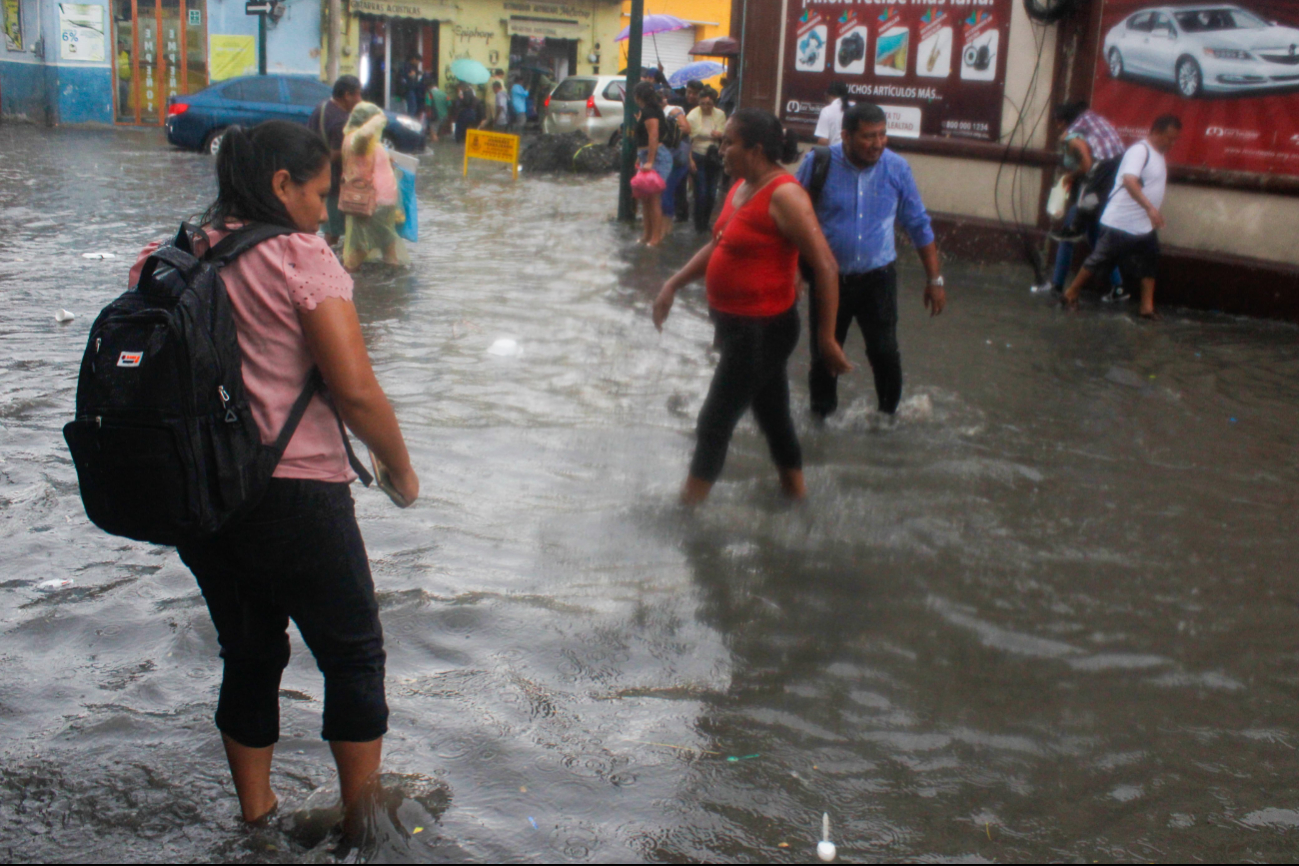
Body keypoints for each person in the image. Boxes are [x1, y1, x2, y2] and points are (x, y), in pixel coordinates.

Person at [126, 120, 419, 827]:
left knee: (250, 652)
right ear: (281, 186)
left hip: (202, 499)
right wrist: (401, 471)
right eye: (317, 193)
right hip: (296, 496)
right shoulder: (298, 255)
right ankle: (362, 825)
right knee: (352, 654)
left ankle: (256, 819)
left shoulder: (166, 258)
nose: (324, 209)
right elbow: (353, 389)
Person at [651, 109, 852, 505]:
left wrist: (826, 339)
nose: (721, 148)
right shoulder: (742, 185)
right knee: (774, 419)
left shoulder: (786, 195)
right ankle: (797, 498)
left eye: (729, 142)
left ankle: (685, 513)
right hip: (738, 328)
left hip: (763, 331)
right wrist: (673, 284)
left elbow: (826, 265)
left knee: (713, 421)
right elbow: (721, 244)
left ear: (756, 150)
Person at [797, 102, 946, 419]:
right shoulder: (819, 163)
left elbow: (918, 225)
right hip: (828, 280)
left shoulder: (897, 168)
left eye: (882, 135)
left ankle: (887, 419)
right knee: (824, 354)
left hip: (878, 278)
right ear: (846, 136)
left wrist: (934, 280)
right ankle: (820, 423)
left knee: (885, 353)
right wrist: (792, 272)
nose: (877, 143)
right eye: (868, 137)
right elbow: (794, 218)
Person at [1063, 115, 1182, 319]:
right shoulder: (1140, 151)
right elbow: (1129, 180)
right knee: (1099, 259)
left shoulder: (1159, 155)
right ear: (1155, 132)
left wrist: (1149, 214)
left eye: (1175, 140)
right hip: (1121, 221)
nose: (1171, 144)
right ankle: (1071, 292)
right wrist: (1150, 209)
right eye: (1168, 138)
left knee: (1149, 263)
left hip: (1143, 225)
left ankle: (1146, 307)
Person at [1041, 100, 1126, 298]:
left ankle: (1057, 286)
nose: (1055, 125)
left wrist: (1072, 176)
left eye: (1056, 121)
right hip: (1102, 182)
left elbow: (1087, 165)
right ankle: (1119, 287)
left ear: (1062, 121)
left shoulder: (1072, 137)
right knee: (1097, 238)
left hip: (1092, 187)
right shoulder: (1086, 127)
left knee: (1068, 236)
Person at [341, 102, 407, 271]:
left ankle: (391, 279)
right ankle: (347, 279)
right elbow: (364, 136)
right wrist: (377, 119)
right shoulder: (357, 139)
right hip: (372, 202)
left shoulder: (364, 142)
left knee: (387, 244)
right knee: (362, 247)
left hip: (381, 202)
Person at [307, 75, 363, 247]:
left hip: (314, 176)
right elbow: (335, 154)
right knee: (333, 231)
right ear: (347, 95)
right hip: (334, 182)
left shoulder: (321, 108)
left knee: (327, 227)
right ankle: (326, 262)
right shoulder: (341, 121)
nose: (360, 99)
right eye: (358, 95)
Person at [633, 81, 673, 247]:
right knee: (645, 198)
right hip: (646, 155)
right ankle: (647, 234)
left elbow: (653, 137)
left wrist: (649, 161)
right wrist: (641, 159)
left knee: (653, 198)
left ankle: (655, 237)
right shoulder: (646, 111)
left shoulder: (650, 112)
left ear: (638, 96)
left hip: (657, 157)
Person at [686, 87, 726, 233]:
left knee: (711, 193)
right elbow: (688, 140)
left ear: (714, 103)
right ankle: (699, 223)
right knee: (701, 193)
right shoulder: (692, 116)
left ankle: (706, 221)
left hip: (714, 157)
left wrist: (720, 135)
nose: (705, 107)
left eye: (709, 104)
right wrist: (690, 160)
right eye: (702, 103)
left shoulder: (720, 115)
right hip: (698, 155)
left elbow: (725, 135)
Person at [660, 102, 692, 229]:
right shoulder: (657, 112)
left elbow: (686, 129)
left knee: (667, 192)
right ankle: (679, 219)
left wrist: (670, 133)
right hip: (674, 158)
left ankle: (666, 227)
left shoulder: (672, 111)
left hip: (675, 159)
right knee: (678, 190)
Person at [814, 81, 850, 147]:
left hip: (835, 154)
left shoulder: (827, 111)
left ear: (830, 94)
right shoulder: (854, 107)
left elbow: (823, 141)